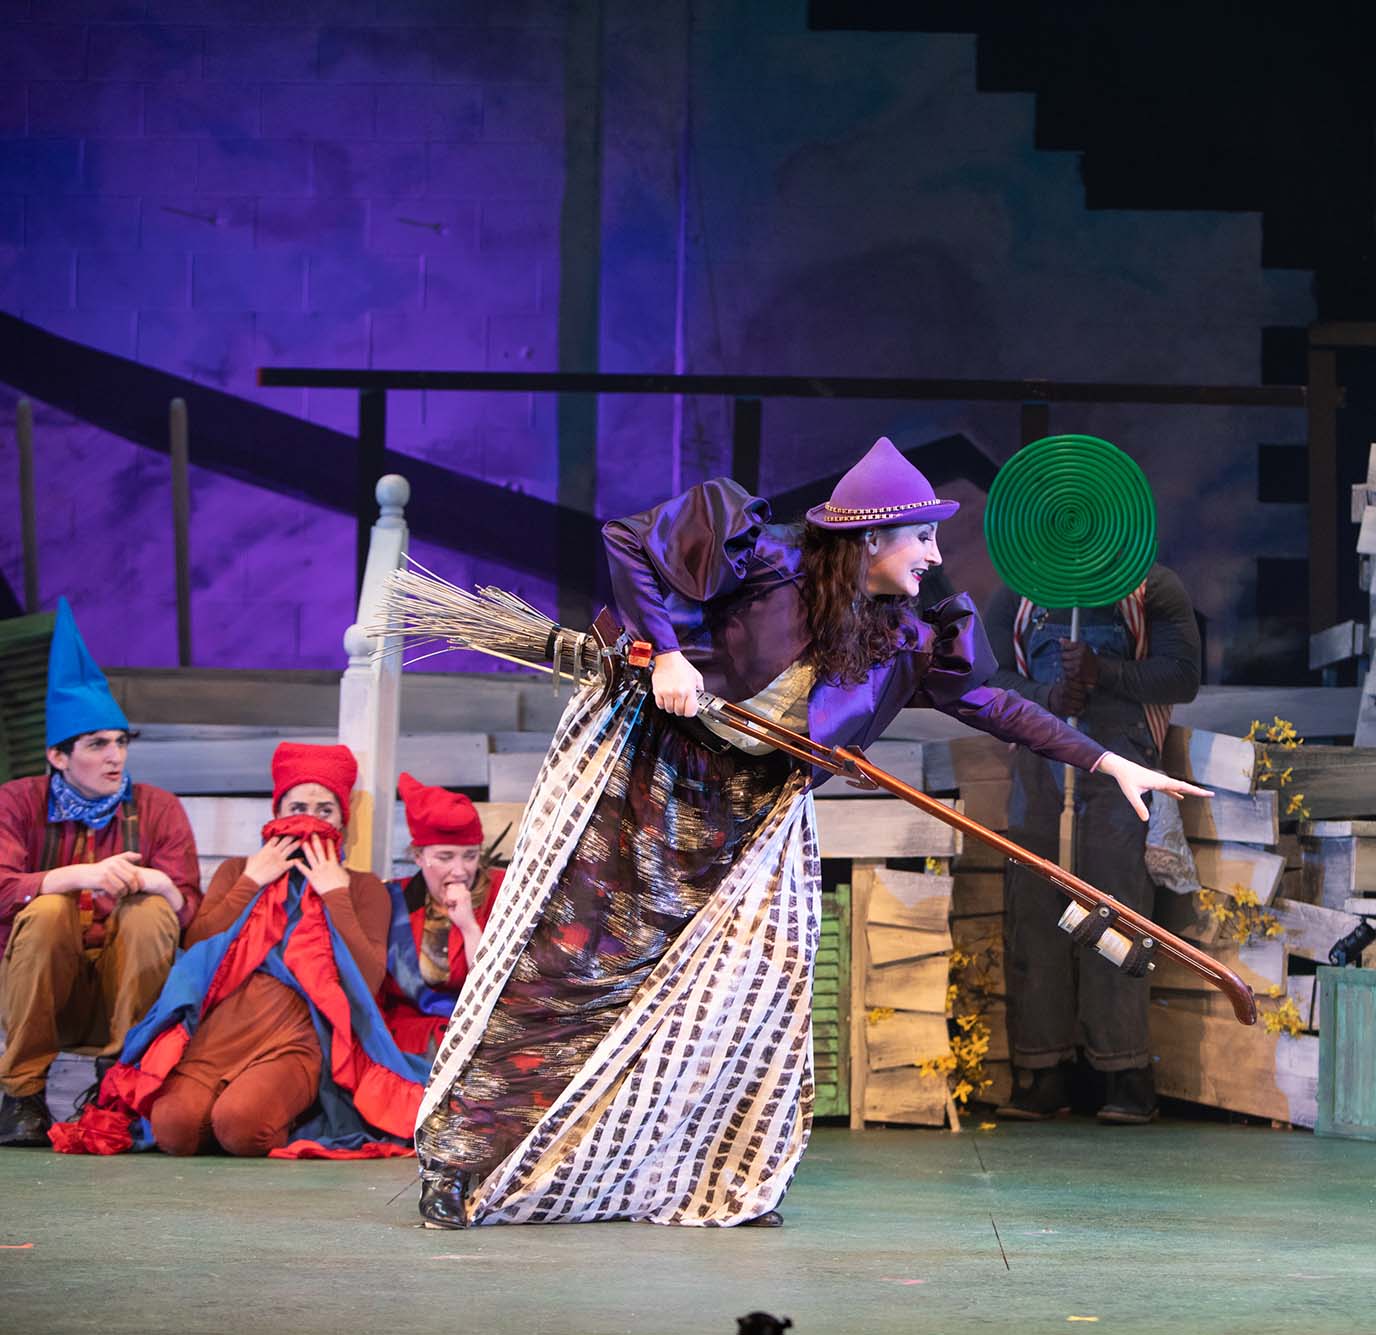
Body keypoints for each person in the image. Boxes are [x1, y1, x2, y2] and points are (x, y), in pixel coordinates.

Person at [416, 436, 1208, 1229]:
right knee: (576, 967)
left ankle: (726, 1179)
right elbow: (629, 540)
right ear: (872, 536)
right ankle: (464, 1161)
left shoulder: (911, 633)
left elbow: (994, 703)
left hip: (761, 810)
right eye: (923, 535)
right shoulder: (766, 559)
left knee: (760, 990)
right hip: (660, 781)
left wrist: (1107, 761)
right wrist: (662, 653)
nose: (937, 553)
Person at [51, 742, 424, 1158]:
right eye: (298, 807)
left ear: (342, 820)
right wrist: (250, 882)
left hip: (296, 1037)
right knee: (174, 1129)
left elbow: (368, 980)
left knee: (242, 1128)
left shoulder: (362, 886)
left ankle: (301, 1112)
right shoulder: (238, 870)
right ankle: (232, 1106)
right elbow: (197, 948)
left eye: (325, 811)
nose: (310, 821)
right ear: (278, 814)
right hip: (220, 1033)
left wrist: (335, 894)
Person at [981, 562, 1200, 1124]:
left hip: (1119, 770)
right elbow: (987, 677)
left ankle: (1123, 1073)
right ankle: (1041, 1072)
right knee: (1036, 915)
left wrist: (1106, 672)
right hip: (1039, 767)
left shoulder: (1151, 588)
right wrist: (1046, 694)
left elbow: (1182, 675)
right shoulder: (1019, 591)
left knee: (1116, 914)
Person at [0, 599, 200, 1146]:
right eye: (97, 745)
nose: (115, 757)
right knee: (45, 909)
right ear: (58, 757)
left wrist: (160, 884)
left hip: (122, 991)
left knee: (152, 911)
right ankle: (21, 1095)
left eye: (120, 742)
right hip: (35, 990)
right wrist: (80, 875)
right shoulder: (16, 803)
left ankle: (118, 1084)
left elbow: (193, 915)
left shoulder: (158, 808)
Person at [378, 772, 498, 1056]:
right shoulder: (391, 900)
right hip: (410, 1042)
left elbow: (498, 989)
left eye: (470, 856)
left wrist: (469, 927)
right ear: (419, 856)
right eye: (445, 857)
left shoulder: (502, 894)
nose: (460, 870)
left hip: (485, 1036)